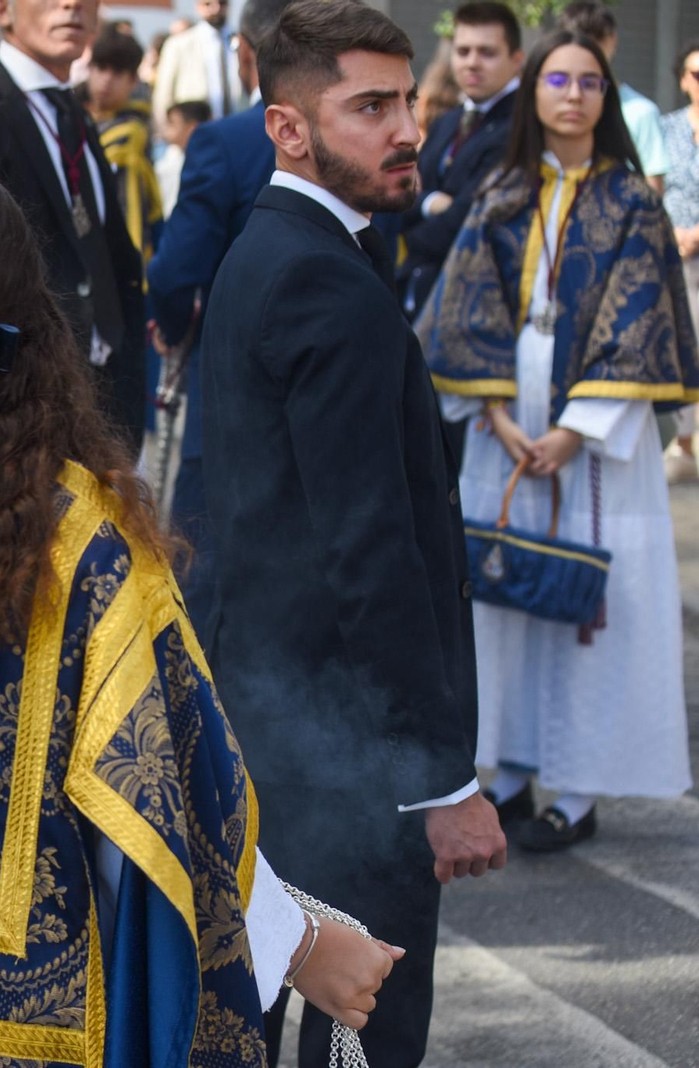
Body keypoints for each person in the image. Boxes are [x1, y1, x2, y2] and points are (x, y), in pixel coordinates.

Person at [0, 151, 400, 1067]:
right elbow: (172, 807)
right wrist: (303, 946)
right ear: (28, 311)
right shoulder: (84, 543)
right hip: (18, 1027)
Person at [199, 2, 510, 1064]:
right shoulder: (322, 280)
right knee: (361, 1029)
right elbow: (367, 553)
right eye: (369, 106)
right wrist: (440, 782)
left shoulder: (281, 251)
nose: (406, 128)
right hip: (344, 751)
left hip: (286, 723)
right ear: (288, 127)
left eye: (407, 100)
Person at [419, 31, 699, 853]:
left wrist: (576, 433)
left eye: (588, 82)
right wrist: (500, 417)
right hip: (503, 423)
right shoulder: (503, 190)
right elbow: (464, 306)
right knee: (506, 606)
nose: (571, 94)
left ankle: (574, 792)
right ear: (533, 90)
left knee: (586, 609)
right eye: (556, 79)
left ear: (606, 98)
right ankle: (504, 777)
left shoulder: (633, 201)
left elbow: (644, 314)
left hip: (592, 430)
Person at [0, 0, 148, 453]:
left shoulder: (71, 111)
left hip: (100, 406)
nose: (71, 4)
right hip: (13, 420)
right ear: (3, 10)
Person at [145, 0, 284, 629]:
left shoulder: (226, 142)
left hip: (229, 380)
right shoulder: (356, 140)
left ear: (245, 53)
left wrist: (172, 328)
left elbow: (177, 269)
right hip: (333, 381)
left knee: (206, 572)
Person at [393, 1, 523, 321]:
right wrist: (433, 203)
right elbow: (398, 196)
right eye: (463, 51)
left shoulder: (522, 128)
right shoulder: (446, 122)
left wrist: (416, 215)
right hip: (416, 293)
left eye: (486, 52)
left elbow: (466, 223)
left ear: (516, 59)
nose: (472, 63)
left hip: (476, 305)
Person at [557, 1, 669, 196]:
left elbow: (653, 193)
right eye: (578, 41)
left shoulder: (641, 112)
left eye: (596, 40)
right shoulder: (547, 107)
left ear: (612, 41)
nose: (588, 51)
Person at [85, 30, 161, 267]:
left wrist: (132, 268)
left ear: (133, 81)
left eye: (117, 73)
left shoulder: (131, 131)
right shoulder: (78, 115)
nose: (106, 79)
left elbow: (130, 209)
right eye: (100, 68)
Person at [661, 40, 699, 484]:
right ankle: (685, 442)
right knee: (682, 344)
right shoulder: (667, 128)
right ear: (684, 79)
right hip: (674, 253)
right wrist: (674, 234)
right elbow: (655, 185)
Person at [152, 0, 243, 130]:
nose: (215, 9)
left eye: (222, 4)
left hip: (235, 128)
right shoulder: (179, 44)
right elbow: (164, 94)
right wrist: (166, 130)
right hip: (195, 131)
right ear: (198, 7)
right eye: (208, 4)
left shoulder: (241, 42)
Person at [156, 98, 208, 215]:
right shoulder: (168, 159)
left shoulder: (174, 166)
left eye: (172, 124)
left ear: (192, 128)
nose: (166, 130)